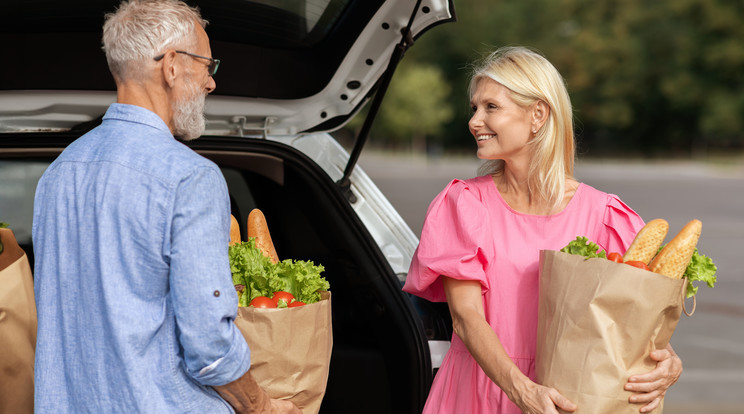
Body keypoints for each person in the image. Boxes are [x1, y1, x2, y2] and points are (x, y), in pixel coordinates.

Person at [31, 1, 300, 413]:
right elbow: (209, 346)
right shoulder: (190, 177)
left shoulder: (58, 173)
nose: (210, 83)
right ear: (172, 65)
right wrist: (262, 406)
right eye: (208, 66)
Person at [402, 46, 682, 414]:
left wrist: (668, 363)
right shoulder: (465, 204)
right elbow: (466, 318)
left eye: (491, 107)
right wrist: (523, 390)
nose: (474, 121)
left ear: (537, 114)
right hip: (478, 392)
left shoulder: (605, 215)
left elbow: (632, 321)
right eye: (474, 108)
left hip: (571, 393)